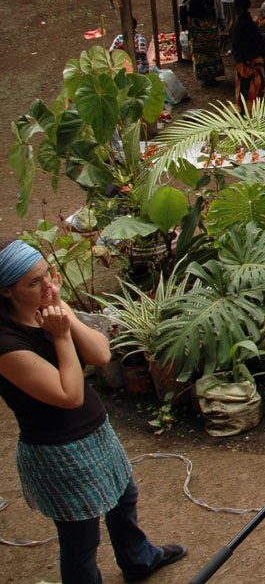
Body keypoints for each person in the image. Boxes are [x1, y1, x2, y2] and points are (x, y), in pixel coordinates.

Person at [0, 239, 186, 584]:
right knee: (81, 539)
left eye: (47, 275)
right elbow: (68, 394)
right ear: (6, 292)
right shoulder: (7, 345)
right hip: (58, 450)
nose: (48, 286)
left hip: (94, 431)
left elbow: (101, 355)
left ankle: (139, 560)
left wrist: (64, 313)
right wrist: (60, 336)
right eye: (34, 282)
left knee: (124, 497)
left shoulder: (51, 308)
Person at [231, 0, 265, 115]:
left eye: (236, 6)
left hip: (248, 61)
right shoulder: (247, 23)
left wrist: (242, 59)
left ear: (240, 7)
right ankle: (250, 110)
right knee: (254, 87)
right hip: (251, 59)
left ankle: (247, 111)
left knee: (247, 88)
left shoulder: (244, 25)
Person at [188, 0, 225, 85]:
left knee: (203, 55)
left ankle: (207, 77)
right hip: (208, 32)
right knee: (209, 54)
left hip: (204, 33)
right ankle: (210, 77)